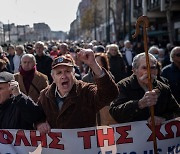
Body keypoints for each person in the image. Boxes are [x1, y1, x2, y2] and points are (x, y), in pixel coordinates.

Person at [37, 49, 119, 132]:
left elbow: (110, 94)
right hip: (56, 144)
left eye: (67, 71)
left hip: (85, 144)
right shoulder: (45, 95)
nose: (63, 76)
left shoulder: (86, 91)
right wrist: (40, 123)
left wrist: (93, 64)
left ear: (74, 74)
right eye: (59, 73)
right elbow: (37, 116)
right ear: (53, 77)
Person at [109, 53, 180, 125]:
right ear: (134, 70)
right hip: (134, 134)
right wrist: (139, 104)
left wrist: (163, 118)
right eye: (144, 68)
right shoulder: (123, 86)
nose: (149, 72)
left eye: (153, 68)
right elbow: (115, 113)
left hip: (159, 134)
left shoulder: (163, 88)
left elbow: (176, 111)